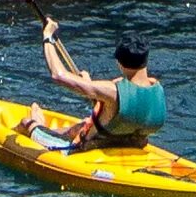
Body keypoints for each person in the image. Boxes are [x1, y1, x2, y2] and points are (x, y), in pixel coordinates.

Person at [38, 19, 165, 150]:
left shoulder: (113, 91)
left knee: (28, 124)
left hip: (95, 148)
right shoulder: (156, 88)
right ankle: (45, 122)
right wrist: (88, 84)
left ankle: (36, 122)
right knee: (76, 128)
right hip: (134, 146)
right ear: (146, 59)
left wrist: (47, 36)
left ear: (119, 63)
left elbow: (58, 75)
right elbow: (120, 108)